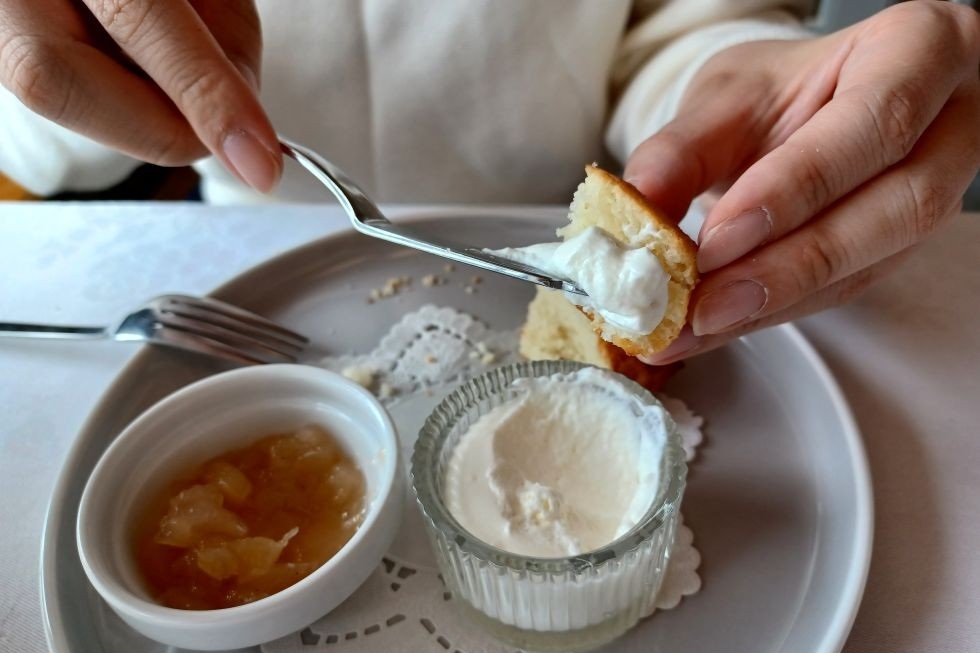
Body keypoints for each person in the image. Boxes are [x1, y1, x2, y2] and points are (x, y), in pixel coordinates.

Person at [0, 0, 977, 364]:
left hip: (566, 233)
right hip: (254, 266)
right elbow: (39, 144)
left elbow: (679, 26)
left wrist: (748, 100)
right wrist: (50, 55)